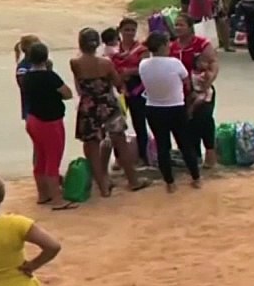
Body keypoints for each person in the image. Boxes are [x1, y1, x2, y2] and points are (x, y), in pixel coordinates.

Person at [71, 28, 147, 197]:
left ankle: (103, 185)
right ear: (98, 43)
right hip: (108, 103)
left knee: (92, 146)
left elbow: (79, 84)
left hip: (88, 105)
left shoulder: (75, 63)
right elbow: (118, 83)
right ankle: (133, 180)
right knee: (120, 142)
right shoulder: (105, 63)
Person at [139, 31, 200, 192]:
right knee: (185, 144)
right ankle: (196, 177)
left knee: (162, 146)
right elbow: (186, 82)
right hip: (175, 107)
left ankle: (170, 183)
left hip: (153, 108)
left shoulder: (143, 64)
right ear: (162, 46)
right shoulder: (174, 63)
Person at [19, 42, 75, 210]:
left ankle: (43, 194)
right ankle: (57, 199)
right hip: (50, 122)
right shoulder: (50, 76)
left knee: (41, 158)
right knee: (53, 159)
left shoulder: (26, 77)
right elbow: (68, 94)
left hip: (33, 119)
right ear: (46, 57)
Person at [171, 13, 219, 166]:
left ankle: (210, 153)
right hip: (181, 93)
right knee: (188, 124)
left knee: (204, 120)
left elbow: (213, 63)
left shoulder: (202, 44)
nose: (178, 28)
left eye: (181, 25)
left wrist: (208, 81)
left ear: (190, 27)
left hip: (202, 90)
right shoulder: (172, 46)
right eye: (176, 25)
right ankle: (194, 155)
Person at [111, 18, 150, 163]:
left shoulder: (142, 49)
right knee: (116, 125)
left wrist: (128, 71)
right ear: (120, 31)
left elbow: (144, 67)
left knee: (139, 123)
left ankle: (143, 156)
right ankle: (119, 158)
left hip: (137, 90)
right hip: (119, 90)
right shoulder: (114, 49)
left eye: (132, 30)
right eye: (126, 30)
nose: (129, 33)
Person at [14, 34, 41, 127]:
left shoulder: (42, 63)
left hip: (43, 110)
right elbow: (25, 86)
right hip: (31, 111)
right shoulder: (23, 67)